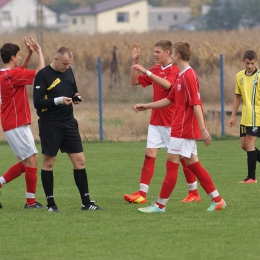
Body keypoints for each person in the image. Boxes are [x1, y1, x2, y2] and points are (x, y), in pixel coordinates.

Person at [133, 41, 226, 213]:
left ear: (177, 55)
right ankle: (217, 199)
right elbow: (170, 99)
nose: (170, 55)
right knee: (194, 165)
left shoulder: (189, 76)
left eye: (172, 52)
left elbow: (196, 104)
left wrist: (203, 129)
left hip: (183, 129)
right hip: (179, 127)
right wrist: (147, 105)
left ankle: (159, 205)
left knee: (172, 165)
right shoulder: (181, 76)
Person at [124, 40, 201, 204]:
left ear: (168, 53)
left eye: (157, 52)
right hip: (156, 120)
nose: (154, 55)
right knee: (149, 154)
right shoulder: (155, 69)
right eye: (154, 51)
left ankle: (193, 192)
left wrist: (147, 71)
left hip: (172, 122)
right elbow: (134, 82)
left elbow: (167, 85)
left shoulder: (176, 70)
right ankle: (142, 194)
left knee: (183, 158)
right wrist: (135, 62)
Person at [33, 47, 104, 212]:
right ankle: (51, 204)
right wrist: (58, 100)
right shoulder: (43, 75)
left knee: (80, 161)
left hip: (69, 122)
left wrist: (76, 97)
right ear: (56, 59)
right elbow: (37, 103)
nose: (66, 67)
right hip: (50, 123)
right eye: (64, 63)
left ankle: (86, 203)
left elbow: (72, 90)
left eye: (69, 64)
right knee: (49, 163)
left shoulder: (68, 70)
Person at [0, 36, 45, 209]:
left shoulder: (6, 74)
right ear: (12, 57)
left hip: (13, 124)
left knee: (28, 162)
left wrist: (29, 53)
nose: (20, 58)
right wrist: (39, 51)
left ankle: (1, 184)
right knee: (32, 160)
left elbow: (22, 68)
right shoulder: (12, 75)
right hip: (16, 124)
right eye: (18, 55)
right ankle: (30, 202)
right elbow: (40, 73)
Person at [228, 50, 260, 183]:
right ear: (243, 61)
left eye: (252, 63)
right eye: (247, 63)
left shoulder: (259, 77)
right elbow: (237, 97)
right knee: (244, 145)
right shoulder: (239, 76)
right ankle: (251, 177)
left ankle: (251, 178)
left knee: (249, 143)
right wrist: (233, 116)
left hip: (256, 115)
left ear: (256, 61)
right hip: (245, 116)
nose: (250, 66)